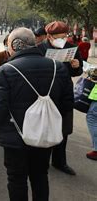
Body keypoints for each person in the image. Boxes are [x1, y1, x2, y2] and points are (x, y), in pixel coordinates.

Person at [0, 27, 74, 201]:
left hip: (15, 136)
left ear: (15, 44)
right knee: (40, 176)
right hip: (45, 134)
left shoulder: (6, 70)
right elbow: (67, 104)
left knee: (16, 179)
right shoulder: (58, 67)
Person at [37, 21, 83, 175]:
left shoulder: (71, 48)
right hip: (45, 92)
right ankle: (40, 160)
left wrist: (77, 66)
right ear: (49, 36)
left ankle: (59, 161)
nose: (62, 39)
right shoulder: (40, 48)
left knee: (63, 129)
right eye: (58, 37)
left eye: (64, 36)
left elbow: (78, 72)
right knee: (44, 127)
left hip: (64, 92)